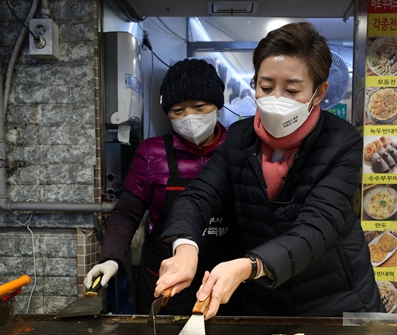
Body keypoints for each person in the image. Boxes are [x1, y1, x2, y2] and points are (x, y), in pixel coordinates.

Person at [155, 22, 384, 319]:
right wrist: (185, 246)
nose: (276, 99)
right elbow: (198, 196)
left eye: (291, 90)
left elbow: (317, 227)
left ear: (319, 92)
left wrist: (249, 265)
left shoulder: (341, 142)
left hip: (335, 300)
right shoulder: (239, 137)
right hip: (265, 298)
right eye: (265, 87)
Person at [85, 58, 241, 315]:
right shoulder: (152, 153)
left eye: (199, 107)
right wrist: (111, 257)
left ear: (217, 105)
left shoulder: (238, 147)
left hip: (225, 277)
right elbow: (126, 213)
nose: (189, 117)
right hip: (166, 278)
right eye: (178, 111)